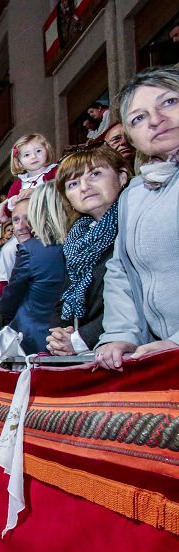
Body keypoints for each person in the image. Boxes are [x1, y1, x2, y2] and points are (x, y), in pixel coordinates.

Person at [96, 66, 179, 371]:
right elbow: (121, 270)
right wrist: (122, 335)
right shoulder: (135, 193)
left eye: (169, 102)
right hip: (165, 359)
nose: (155, 120)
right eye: (138, 118)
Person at [47, 146, 129, 356]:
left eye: (95, 174)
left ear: (122, 177)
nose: (85, 187)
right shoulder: (77, 240)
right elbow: (65, 296)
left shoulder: (134, 224)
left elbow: (135, 299)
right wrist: (59, 336)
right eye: (73, 183)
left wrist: (80, 339)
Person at [0, 183, 70, 355]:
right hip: (72, 335)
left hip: (37, 341)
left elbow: (6, 304)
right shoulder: (78, 243)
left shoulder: (31, 249)